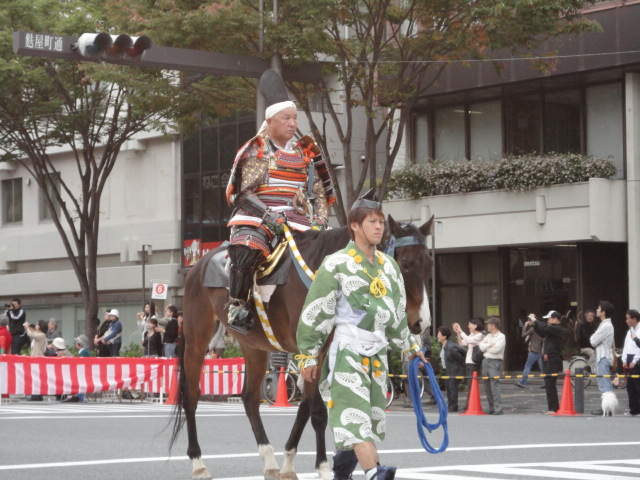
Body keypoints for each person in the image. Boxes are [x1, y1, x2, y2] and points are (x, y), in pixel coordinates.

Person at [296, 191, 426, 480]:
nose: (379, 227)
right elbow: (316, 311)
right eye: (372, 222)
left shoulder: (390, 266)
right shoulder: (335, 263)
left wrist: (410, 346)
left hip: (377, 354)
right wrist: (307, 355)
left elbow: (396, 315)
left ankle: (341, 473)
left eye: (381, 222)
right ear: (354, 225)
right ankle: (374, 472)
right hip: (347, 352)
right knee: (355, 420)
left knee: (368, 421)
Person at [224, 89, 335, 334]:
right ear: (270, 121)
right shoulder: (257, 150)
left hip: (298, 217)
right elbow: (244, 193)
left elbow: (319, 194)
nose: (292, 123)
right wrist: (269, 215)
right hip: (257, 216)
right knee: (246, 247)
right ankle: (238, 305)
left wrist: (320, 222)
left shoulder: (307, 153)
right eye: (286, 118)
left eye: (295, 118)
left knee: (333, 248)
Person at [532, 311, 568, 414]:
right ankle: (552, 408)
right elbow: (542, 332)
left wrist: (535, 320)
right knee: (548, 384)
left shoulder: (557, 328)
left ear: (555, 318)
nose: (548, 320)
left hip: (553, 358)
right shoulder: (552, 329)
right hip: (548, 358)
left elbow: (545, 328)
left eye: (549, 318)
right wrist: (534, 324)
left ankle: (553, 408)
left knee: (550, 383)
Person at [590, 300, 615, 415]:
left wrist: (594, 337)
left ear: (603, 312)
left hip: (603, 357)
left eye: (599, 308)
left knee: (604, 383)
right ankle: (607, 407)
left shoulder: (606, 325)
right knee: (604, 382)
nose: (597, 310)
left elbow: (593, 341)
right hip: (603, 357)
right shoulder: (604, 324)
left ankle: (607, 408)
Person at [478, 317, 506, 415]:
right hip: (485, 361)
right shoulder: (488, 336)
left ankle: (498, 408)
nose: (487, 326)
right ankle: (491, 407)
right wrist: (490, 345)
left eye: (488, 324)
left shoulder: (501, 336)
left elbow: (497, 349)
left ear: (493, 325)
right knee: (486, 385)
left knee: (494, 385)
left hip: (495, 361)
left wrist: (487, 347)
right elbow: (481, 347)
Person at [437, 326, 466, 412]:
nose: (437, 335)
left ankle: (453, 407)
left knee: (452, 389)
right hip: (449, 370)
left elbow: (461, 358)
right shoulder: (445, 345)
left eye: (439, 334)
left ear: (444, 336)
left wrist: (460, 370)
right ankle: (451, 406)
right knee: (449, 389)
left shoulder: (451, 347)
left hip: (454, 371)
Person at [62, 335, 92, 403]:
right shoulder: (83, 351)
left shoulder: (84, 352)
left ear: (79, 344)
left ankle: (78, 396)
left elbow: (80, 362)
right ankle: (78, 396)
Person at [517, 315, 544, 388]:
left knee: (527, 366)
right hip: (540, 350)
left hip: (534, 350)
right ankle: (546, 383)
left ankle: (523, 382)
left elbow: (523, 335)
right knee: (542, 368)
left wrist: (524, 326)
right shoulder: (541, 328)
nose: (528, 321)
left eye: (529, 320)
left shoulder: (533, 329)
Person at [622, 309, 640, 416]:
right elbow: (626, 346)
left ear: (634, 319)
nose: (626, 321)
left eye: (628, 318)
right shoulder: (630, 331)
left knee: (638, 386)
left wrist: (635, 360)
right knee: (630, 386)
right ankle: (633, 409)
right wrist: (624, 360)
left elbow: (638, 348)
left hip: (636, 360)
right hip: (629, 358)